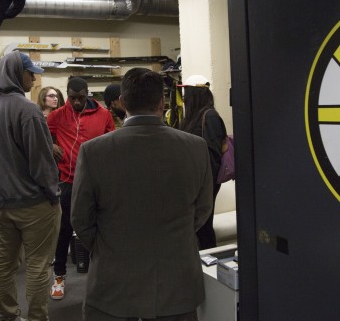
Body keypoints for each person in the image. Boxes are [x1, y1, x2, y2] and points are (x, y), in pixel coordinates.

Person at [71, 67, 213, 320]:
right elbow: (202, 209)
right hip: (175, 282)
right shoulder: (195, 147)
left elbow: (81, 218)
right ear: (162, 102)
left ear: (122, 102)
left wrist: (107, 247)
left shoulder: (94, 151)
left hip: (113, 283)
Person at [0, 51, 61, 321]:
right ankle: (38, 317)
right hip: (33, 203)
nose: (34, 77)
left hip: (1, 204)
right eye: (30, 72)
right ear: (18, 73)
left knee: (5, 263)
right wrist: (53, 192)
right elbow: (41, 161)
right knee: (39, 265)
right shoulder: (28, 110)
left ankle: (9, 316)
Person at [47, 77, 115, 300]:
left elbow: (112, 141)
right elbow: (41, 136)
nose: (76, 102)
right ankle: (59, 276)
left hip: (97, 180)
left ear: (88, 94)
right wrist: (52, 144)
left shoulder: (103, 114)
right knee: (64, 229)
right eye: (72, 97)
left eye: (80, 98)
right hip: (67, 180)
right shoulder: (58, 115)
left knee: (101, 228)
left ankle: (104, 275)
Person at [177, 74, 228, 250]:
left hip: (204, 184)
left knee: (204, 228)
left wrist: (203, 186)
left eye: (186, 94)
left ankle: (209, 264)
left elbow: (213, 157)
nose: (184, 99)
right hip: (192, 183)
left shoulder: (210, 116)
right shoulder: (191, 118)